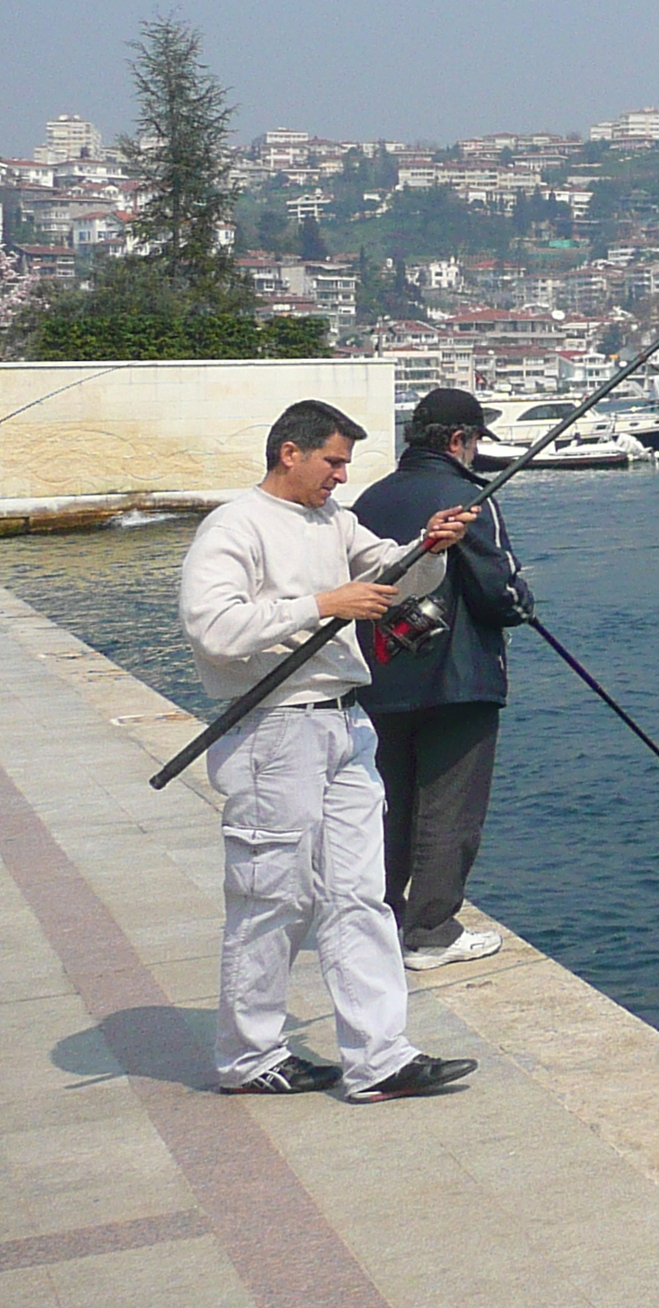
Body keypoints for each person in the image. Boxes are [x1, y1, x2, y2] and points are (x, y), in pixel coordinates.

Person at [177, 397, 482, 1103]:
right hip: (274, 731)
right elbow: (211, 627)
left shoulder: (333, 521)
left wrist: (431, 545)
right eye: (334, 461)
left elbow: (394, 573)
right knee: (271, 898)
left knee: (360, 896)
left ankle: (380, 1058)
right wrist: (321, 605)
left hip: (348, 725)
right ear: (292, 451)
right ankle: (249, 1058)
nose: (342, 476)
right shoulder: (235, 526)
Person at [353, 388, 533, 971]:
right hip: (457, 680)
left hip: (379, 676)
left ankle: (379, 917)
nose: (478, 455)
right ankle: (431, 931)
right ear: (459, 440)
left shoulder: (368, 499)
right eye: (477, 442)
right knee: (449, 807)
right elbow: (498, 591)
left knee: (392, 802)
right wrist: (522, 603)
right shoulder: (467, 497)